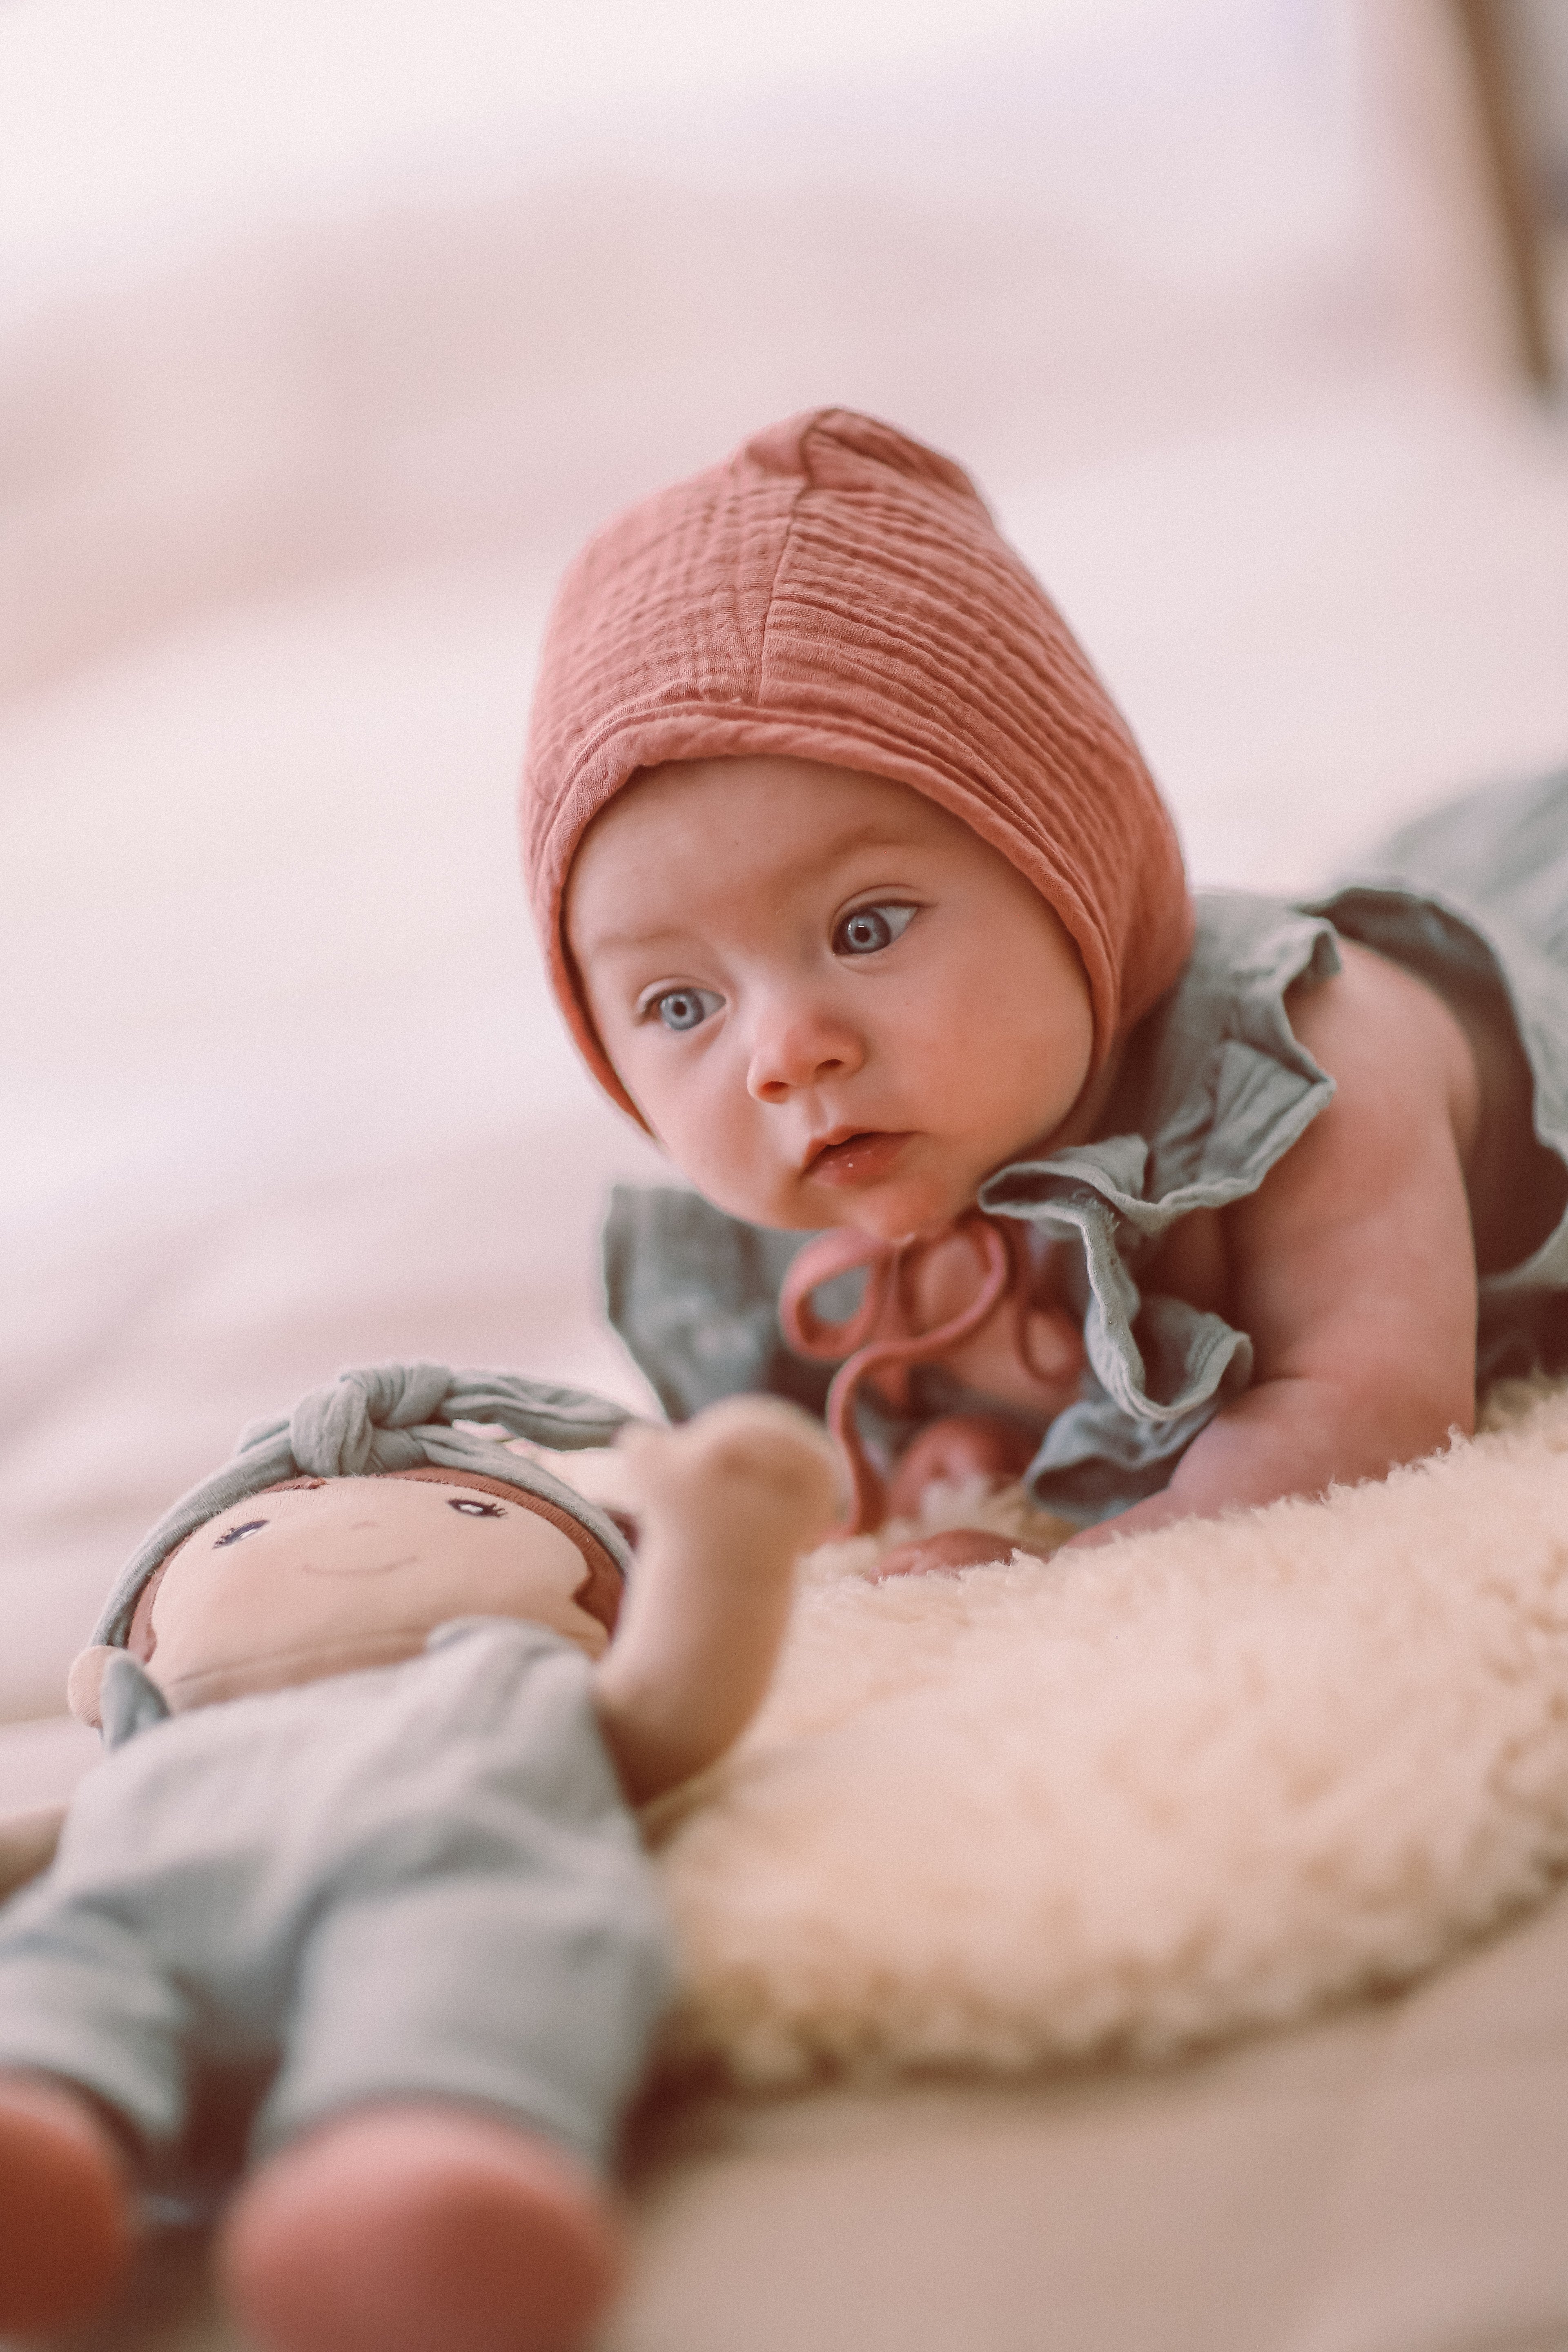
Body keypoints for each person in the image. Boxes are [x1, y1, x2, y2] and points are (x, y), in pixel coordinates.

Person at [520, 408, 1568, 1572]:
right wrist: (955, 1442)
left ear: (1078, 870)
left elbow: (1376, 1412)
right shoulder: (833, 1226)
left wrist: (1070, 1569)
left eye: (865, 928)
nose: (784, 1052)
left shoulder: (1315, 1063)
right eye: (679, 1006)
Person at [0, 1361, 839, 2352]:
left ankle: (409, 2174)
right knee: (59, 1972)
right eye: (246, 1533)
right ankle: (42, 2118)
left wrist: (723, 1549)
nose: (352, 1540)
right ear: (115, 1673)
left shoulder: (526, 1680)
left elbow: (673, 1708)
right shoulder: (151, 1739)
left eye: (479, 1516)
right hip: (134, 1917)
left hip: (438, 1887)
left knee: (473, 1962)